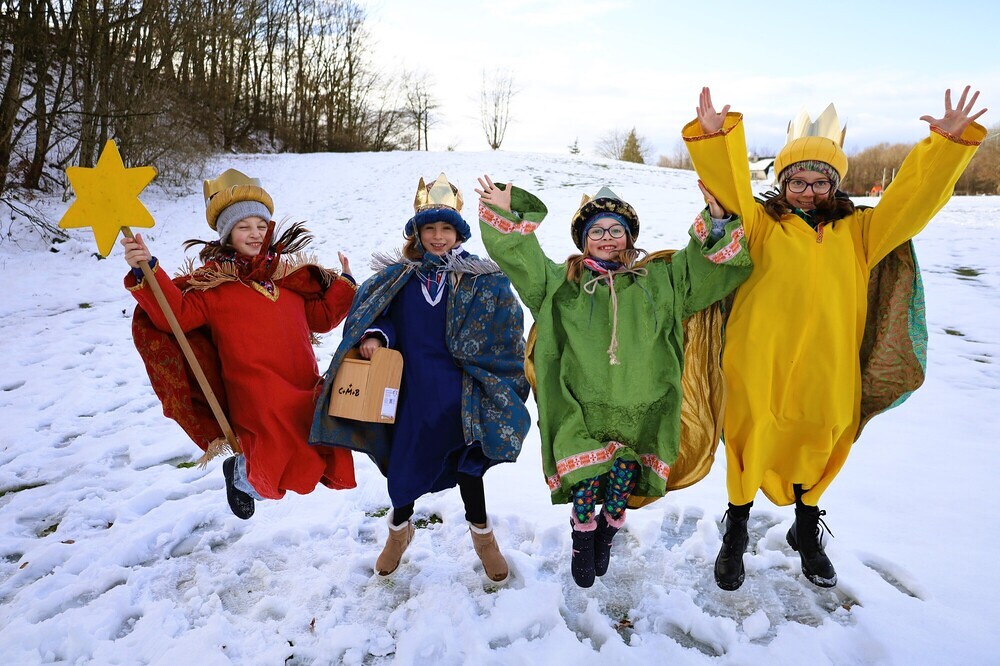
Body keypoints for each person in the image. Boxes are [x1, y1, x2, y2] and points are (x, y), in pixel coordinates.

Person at [683, 86, 987, 590]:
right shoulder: (760, 226)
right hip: (759, 358)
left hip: (829, 363)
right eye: (796, 181)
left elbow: (913, 200)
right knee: (751, 434)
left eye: (818, 181)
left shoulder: (862, 233)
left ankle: (806, 528)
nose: (807, 190)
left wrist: (944, 147)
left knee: (822, 437)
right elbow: (730, 188)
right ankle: (735, 529)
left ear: (835, 184)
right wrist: (717, 138)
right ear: (781, 184)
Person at [476, 175, 751, 587]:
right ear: (584, 240)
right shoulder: (558, 284)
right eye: (598, 231)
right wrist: (504, 209)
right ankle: (582, 538)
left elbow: (703, 270)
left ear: (630, 237)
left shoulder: (660, 282)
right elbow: (521, 258)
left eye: (616, 229)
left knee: (623, 482)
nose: (608, 238)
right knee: (586, 486)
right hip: (579, 410)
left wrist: (715, 222)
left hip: (643, 410)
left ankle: (607, 531)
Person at [309, 173, 531, 583]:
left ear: (458, 233)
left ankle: (484, 539)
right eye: (430, 228)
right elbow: (380, 316)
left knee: (469, 469)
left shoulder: (479, 279)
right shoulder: (402, 278)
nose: (438, 236)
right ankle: (399, 532)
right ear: (418, 232)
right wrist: (377, 337)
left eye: (446, 228)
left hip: (462, 396)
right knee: (405, 469)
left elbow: (504, 330)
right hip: (413, 395)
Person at [122, 168, 358, 519]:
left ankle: (242, 475)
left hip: (301, 383)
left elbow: (322, 318)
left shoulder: (286, 282)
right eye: (244, 227)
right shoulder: (214, 287)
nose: (255, 234)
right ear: (227, 233)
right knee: (275, 468)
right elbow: (176, 314)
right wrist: (147, 269)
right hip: (257, 395)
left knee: (310, 468)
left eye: (261, 227)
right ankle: (242, 475)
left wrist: (345, 281)